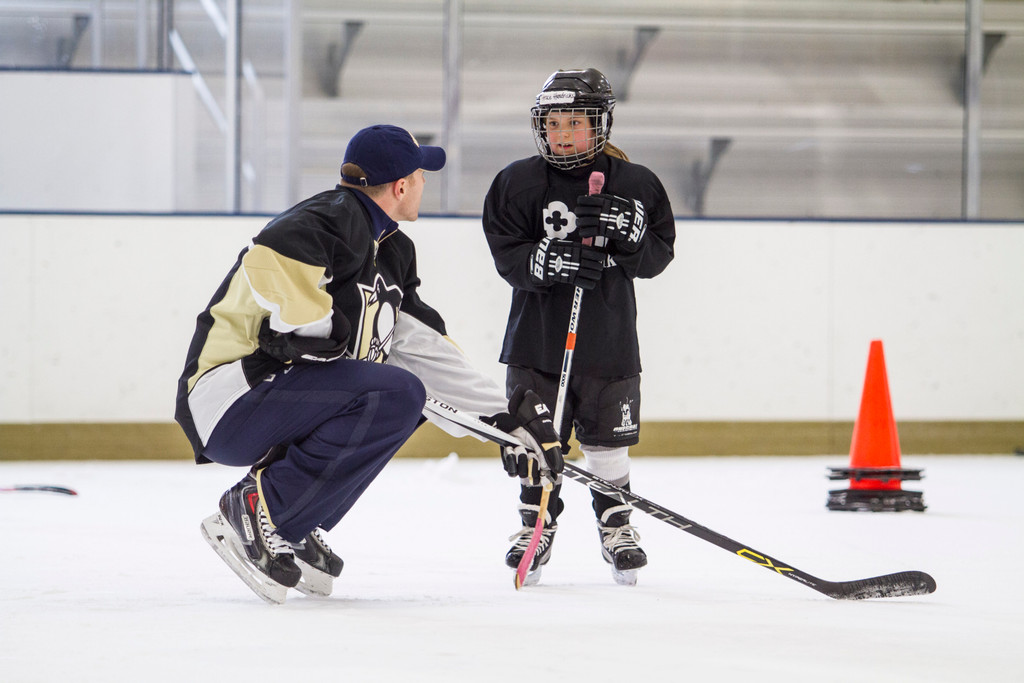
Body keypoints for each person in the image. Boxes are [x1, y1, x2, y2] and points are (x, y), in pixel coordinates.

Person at [175, 124, 563, 604]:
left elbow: (422, 348)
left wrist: (507, 422)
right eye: (421, 176)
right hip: (230, 398)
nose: (424, 184)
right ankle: (262, 506)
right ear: (401, 186)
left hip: (278, 402)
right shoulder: (327, 218)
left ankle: (292, 519)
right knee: (395, 392)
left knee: (408, 398)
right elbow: (268, 261)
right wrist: (318, 326)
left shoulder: (394, 250)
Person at [481, 68, 676, 585]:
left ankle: (615, 523)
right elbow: (505, 250)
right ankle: (536, 523)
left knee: (608, 443)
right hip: (536, 342)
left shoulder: (636, 184)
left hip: (608, 342)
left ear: (601, 124)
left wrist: (632, 233)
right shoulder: (517, 182)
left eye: (575, 122)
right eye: (553, 122)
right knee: (533, 440)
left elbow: (658, 255)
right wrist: (547, 263)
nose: (562, 133)